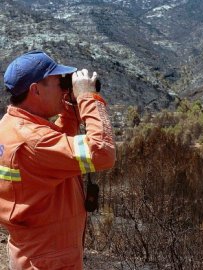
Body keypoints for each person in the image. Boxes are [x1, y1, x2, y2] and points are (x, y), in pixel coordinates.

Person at [0, 51, 116, 269]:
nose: (64, 89)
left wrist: (71, 110)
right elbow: (102, 153)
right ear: (35, 90)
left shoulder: (11, 124)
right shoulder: (34, 139)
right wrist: (88, 99)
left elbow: (53, 154)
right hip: (48, 260)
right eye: (57, 83)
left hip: (34, 251)